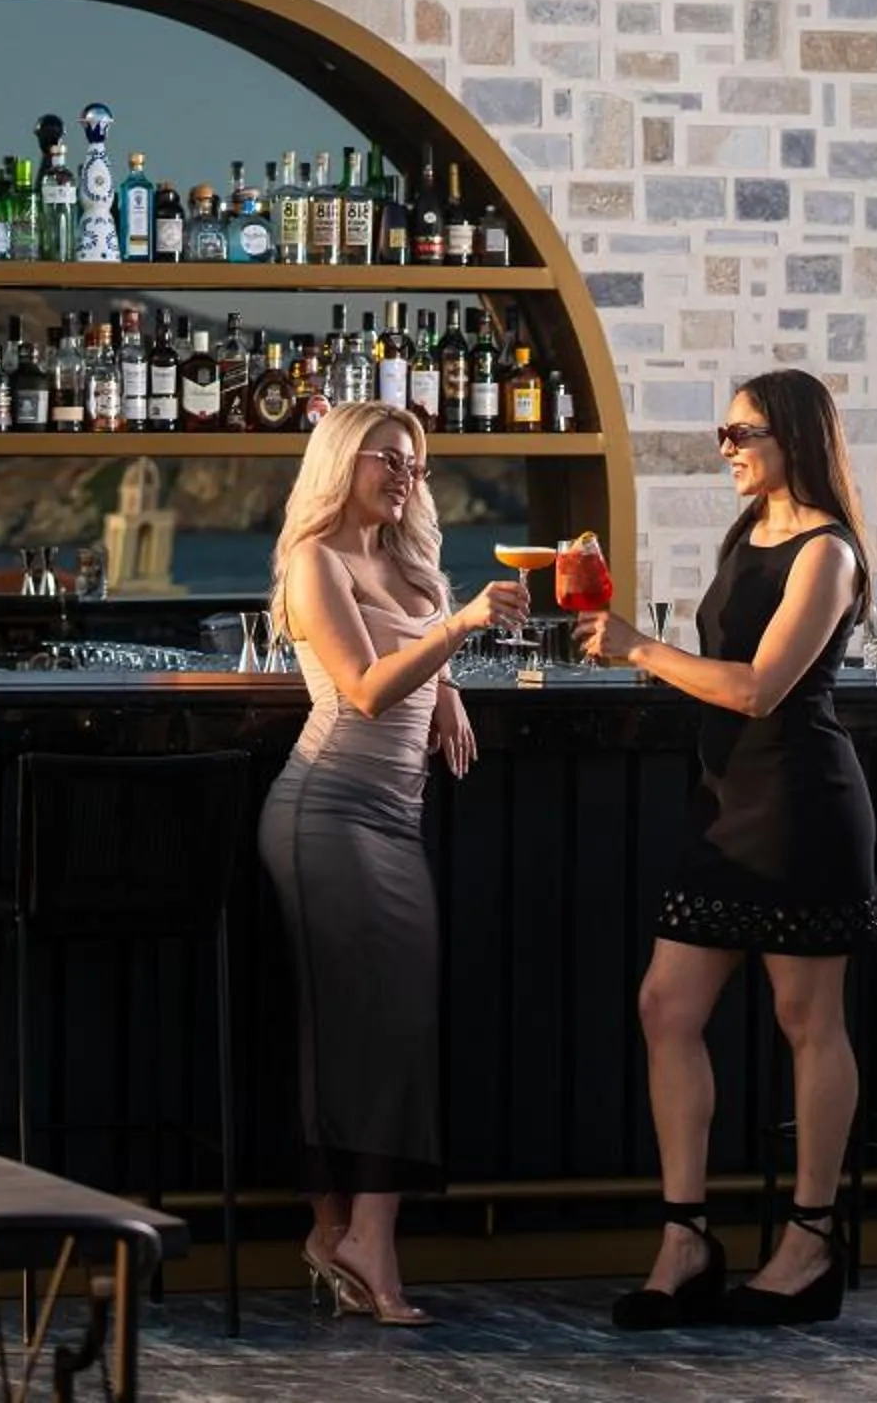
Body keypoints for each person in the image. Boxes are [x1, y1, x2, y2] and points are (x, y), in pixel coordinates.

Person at [576, 369, 876, 1333]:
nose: (726, 447)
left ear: (794, 435)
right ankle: (687, 1237)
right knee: (667, 1007)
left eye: (741, 431)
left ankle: (812, 1239)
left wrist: (637, 648)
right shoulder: (748, 535)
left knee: (805, 1017)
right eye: (722, 431)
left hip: (801, 803)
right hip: (725, 804)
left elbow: (758, 689)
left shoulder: (828, 552)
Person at [257, 401, 526, 1327]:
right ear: (342, 462)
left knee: (388, 1022)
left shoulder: (409, 561)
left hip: (393, 818)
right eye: (386, 457)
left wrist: (448, 689)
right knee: (361, 1022)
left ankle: (342, 1232)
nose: (405, 472)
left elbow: (414, 657)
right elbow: (368, 691)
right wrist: (464, 634)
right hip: (324, 812)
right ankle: (361, 1236)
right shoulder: (312, 563)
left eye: (414, 460)